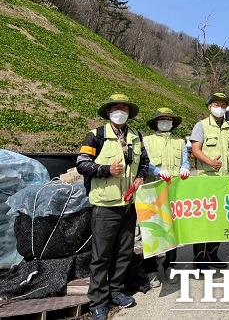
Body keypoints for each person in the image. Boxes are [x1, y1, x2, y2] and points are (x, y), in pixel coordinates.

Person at [76, 94, 149, 320]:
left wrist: (140, 179)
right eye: (116, 108)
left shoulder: (136, 136)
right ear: (109, 112)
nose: (120, 111)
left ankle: (116, 292)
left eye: (124, 108)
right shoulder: (96, 136)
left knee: (124, 251)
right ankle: (98, 301)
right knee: (101, 255)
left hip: (129, 204)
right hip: (106, 205)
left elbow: (144, 163)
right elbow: (81, 164)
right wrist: (106, 169)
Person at [142, 108, 190, 286]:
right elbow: (144, 163)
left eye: (168, 119)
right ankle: (151, 270)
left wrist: (185, 168)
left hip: (173, 191)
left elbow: (185, 160)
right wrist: (156, 170)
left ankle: (171, 266)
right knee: (151, 230)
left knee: (172, 230)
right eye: (161, 119)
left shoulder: (180, 141)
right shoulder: (146, 141)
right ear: (156, 122)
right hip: (152, 192)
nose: (165, 122)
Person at [190, 92, 229, 271]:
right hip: (207, 182)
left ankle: (212, 253)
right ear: (209, 107)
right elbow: (195, 149)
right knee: (205, 221)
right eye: (216, 104)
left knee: (220, 221)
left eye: (223, 105)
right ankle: (199, 258)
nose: (220, 108)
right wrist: (209, 161)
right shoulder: (201, 126)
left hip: (226, 182)